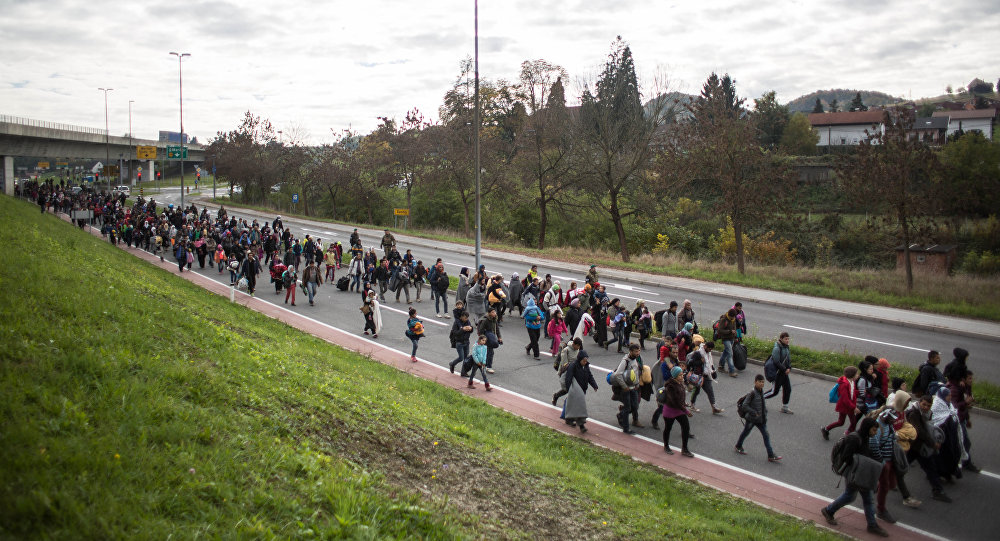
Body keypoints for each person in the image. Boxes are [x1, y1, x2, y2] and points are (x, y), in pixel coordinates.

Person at [820, 417, 890, 537]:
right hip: (854, 473)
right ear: (868, 428)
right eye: (873, 430)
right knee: (854, 497)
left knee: (858, 497)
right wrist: (861, 464)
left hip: (859, 473)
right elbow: (847, 456)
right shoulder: (854, 438)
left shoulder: (865, 437)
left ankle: (829, 511)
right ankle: (829, 511)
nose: (875, 433)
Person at [905, 394, 951, 502]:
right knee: (905, 465)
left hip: (919, 446)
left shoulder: (927, 414)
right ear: (920, 402)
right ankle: (937, 491)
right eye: (924, 404)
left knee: (929, 468)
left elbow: (929, 427)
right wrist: (932, 443)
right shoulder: (914, 414)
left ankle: (937, 490)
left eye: (928, 406)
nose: (925, 407)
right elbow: (920, 431)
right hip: (917, 446)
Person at [735, 374, 782, 461]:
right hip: (752, 419)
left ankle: (771, 455)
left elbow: (762, 405)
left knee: (766, 436)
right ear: (755, 382)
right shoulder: (752, 393)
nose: (761, 384)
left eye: (763, 382)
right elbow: (745, 406)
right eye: (760, 382)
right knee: (745, 433)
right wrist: (754, 413)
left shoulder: (761, 392)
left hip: (760, 420)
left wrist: (765, 413)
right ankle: (738, 446)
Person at [562, 348, 599, 433]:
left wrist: (594, 385)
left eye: (586, 360)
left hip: (582, 390)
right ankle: (581, 425)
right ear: (580, 359)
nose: (585, 362)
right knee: (579, 407)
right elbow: (568, 378)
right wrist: (569, 389)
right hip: (574, 391)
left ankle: (569, 419)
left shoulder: (586, 366)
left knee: (573, 406)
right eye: (584, 360)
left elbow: (589, 376)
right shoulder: (573, 366)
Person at [660, 365, 694, 456]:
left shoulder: (680, 383)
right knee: (668, 428)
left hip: (679, 410)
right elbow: (675, 401)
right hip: (670, 411)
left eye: (682, 375)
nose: (682, 377)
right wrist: (686, 411)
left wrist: (685, 403)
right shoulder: (670, 386)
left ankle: (685, 449)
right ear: (674, 376)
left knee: (686, 427)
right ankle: (666, 446)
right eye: (680, 375)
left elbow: (680, 398)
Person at [823, 366, 860, 439]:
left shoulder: (852, 382)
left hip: (849, 405)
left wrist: (859, 392)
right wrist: (854, 407)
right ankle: (826, 429)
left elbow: (851, 392)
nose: (858, 375)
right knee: (841, 422)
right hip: (845, 406)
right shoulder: (844, 384)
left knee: (853, 422)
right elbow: (845, 398)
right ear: (852, 375)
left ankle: (850, 436)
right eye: (856, 374)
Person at [612, 344, 643, 434]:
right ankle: (626, 428)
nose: (638, 353)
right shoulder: (625, 361)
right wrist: (624, 386)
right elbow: (618, 374)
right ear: (631, 351)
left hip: (634, 387)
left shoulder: (636, 359)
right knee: (627, 407)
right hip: (626, 389)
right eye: (636, 351)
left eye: (639, 351)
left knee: (635, 406)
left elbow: (635, 373)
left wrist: (637, 384)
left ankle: (620, 415)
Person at [688, 341, 724, 415]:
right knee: (696, 391)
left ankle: (714, 407)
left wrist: (713, 371)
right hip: (698, 376)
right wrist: (701, 362)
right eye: (709, 349)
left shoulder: (709, 354)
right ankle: (692, 405)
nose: (710, 351)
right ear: (705, 346)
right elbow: (691, 363)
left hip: (707, 375)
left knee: (710, 391)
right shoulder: (698, 353)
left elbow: (710, 364)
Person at [763, 332, 793, 414]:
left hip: (783, 373)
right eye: (786, 339)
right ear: (781, 339)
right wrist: (784, 369)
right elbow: (776, 361)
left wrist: (789, 367)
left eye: (788, 339)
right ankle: (759, 399)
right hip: (778, 373)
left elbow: (788, 360)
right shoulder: (777, 348)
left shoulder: (786, 347)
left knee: (788, 389)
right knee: (774, 392)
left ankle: (785, 407)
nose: (787, 340)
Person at [551, 338, 582, 405]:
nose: (579, 347)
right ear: (574, 344)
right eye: (578, 346)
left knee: (574, 388)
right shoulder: (566, 350)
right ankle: (556, 396)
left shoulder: (577, 350)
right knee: (566, 389)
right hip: (565, 372)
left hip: (573, 371)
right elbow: (564, 363)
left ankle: (570, 403)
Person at [448, 311, 475, 376]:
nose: (466, 319)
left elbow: (471, 330)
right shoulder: (457, 322)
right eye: (465, 318)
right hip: (459, 342)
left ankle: (463, 372)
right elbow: (455, 333)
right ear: (461, 317)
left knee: (466, 358)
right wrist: (463, 329)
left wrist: (471, 328)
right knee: (461, 357)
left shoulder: (467, 321)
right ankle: (452, 364)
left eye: (467, 318)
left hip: (466, 342)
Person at [477, 308, 502, 374]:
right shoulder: (485, 320)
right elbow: (481, 330)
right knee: (490, 352)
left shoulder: (494, 319)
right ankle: (488, 367)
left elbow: (497, 329)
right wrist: (483, 340)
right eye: (493, 312)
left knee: (489, 352)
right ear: (489, 313)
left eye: (495, 312)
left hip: (492, 337)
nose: (495, 313)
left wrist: (499, 337)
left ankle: (484, 365)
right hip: (486, 338)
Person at [714, 309, 739, 376]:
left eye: (734, 317)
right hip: (725, 339)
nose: (733, 318)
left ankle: (721, 367)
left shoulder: (733, 319)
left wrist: (735, 336)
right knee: (730, 354)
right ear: (729, 315)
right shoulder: (724, 320)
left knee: (725, 352)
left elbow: (734, 328)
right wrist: (730, 331)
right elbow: (720, 330)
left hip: (732, 338)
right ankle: (731, 371)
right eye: (732, 317)